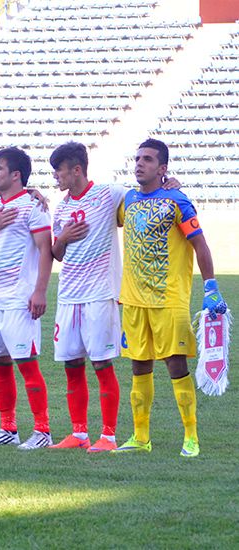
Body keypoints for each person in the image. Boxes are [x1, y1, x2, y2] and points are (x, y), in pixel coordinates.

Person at [113, 138, 227, 458]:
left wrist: (211, 286)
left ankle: (191, 436)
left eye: (147, 159)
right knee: (139, 366)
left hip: (169, 298)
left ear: (162, 168)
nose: (139, 164)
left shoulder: (177, 201)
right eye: (137, 158)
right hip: (133, 300)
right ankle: (140, 437)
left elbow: (199, 244)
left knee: (176, 365)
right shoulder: (128, 200)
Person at [0, 147, 54, 450]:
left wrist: (39, 290)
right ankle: (8, 428)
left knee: (27, 364)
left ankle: (43, 431)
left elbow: (46, 249)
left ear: (16, 175)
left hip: (19, 300)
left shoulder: (33, 206)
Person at [47, 142, 123, 452]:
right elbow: (57, 253)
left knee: (102, 364)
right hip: (68, 297)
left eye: (59, 171)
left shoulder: (108, 194)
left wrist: (169, 183)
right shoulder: (61, 207)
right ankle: (79, 433)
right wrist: (63, 237)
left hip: (99, 295)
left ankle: (108, 436)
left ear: (76, 169)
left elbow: (144, 197)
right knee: (72, 364)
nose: (56, 177)